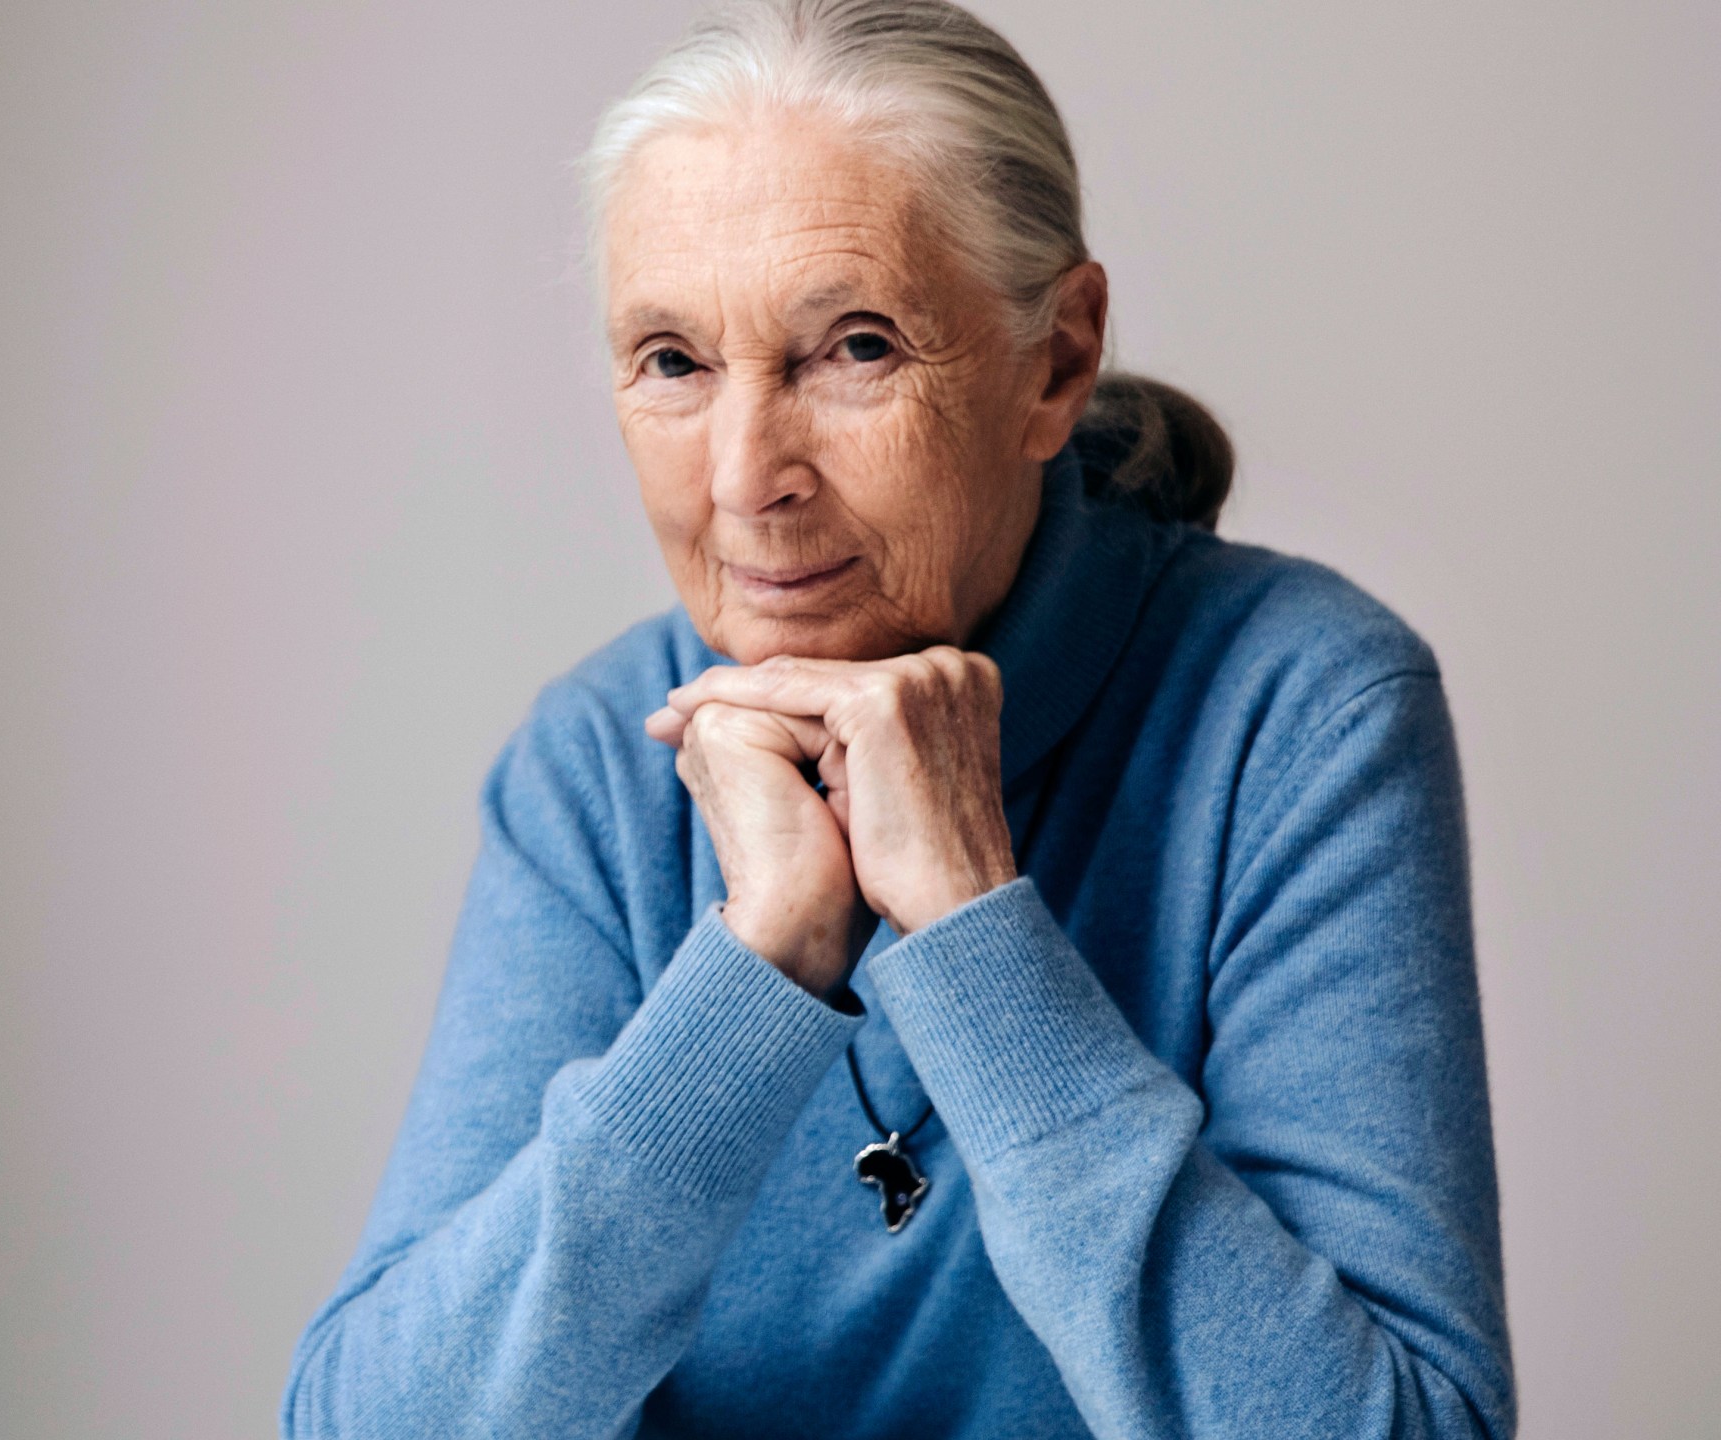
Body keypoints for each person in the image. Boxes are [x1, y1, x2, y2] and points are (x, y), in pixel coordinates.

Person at [282, 2, 1514, 1435]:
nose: (748, 476)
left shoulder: (1300, 709)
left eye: (852, 347)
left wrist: (975, 931)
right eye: (674, 362)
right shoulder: (598, 761)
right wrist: (761, 959)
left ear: (1054, 361)